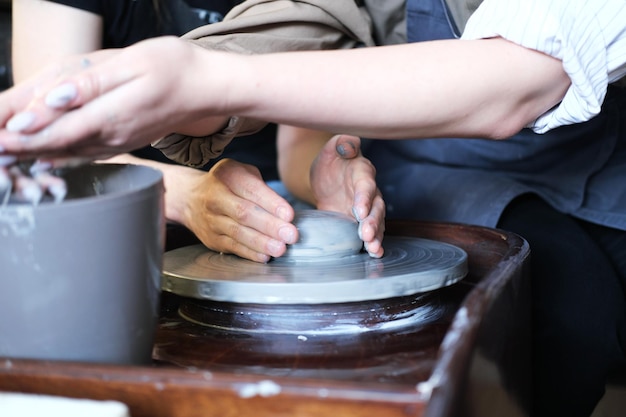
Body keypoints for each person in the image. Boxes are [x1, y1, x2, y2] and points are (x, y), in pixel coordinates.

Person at [0, 0, 624, 415]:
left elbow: (521, 78)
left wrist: (202, 81)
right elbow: (52, 145)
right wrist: (192, 192)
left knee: (572, 305)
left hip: (540, 122)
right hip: (128, 202)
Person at [8, 0, 384, 261]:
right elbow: (50, 148)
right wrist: (186, 195)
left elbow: (298, 141)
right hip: (112, 203)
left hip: (268, 212)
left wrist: (322, 174)